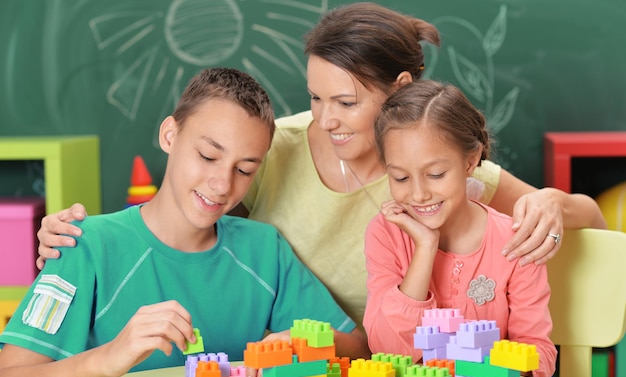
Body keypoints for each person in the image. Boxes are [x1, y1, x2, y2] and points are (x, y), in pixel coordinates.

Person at [34, 3, 606, 326]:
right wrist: (82, 241)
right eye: (314, 98)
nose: (326, 120)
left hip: (403, 363)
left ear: (400, 87)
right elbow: (187, 209)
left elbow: (596, 223)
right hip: (299, 363)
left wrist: (555, 202)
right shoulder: (272, 149)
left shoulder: (430, 171)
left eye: (347, 102)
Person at [0, 68, 369, 377]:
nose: (223, 184)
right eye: (208, 156)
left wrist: (304, 344)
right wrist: (105, 358)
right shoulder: (83, 245)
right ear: (170, 135)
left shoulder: (263, 250)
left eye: (244, 169)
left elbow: (358, 347)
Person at [363, 79, 557, 377]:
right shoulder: (386, 234)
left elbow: (537, 352)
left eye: (436, 174)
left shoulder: (516, 241)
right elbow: (387, 349)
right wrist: (426, 247)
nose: (419, 194)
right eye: (400, 178)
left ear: (470, 161)